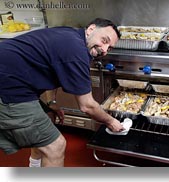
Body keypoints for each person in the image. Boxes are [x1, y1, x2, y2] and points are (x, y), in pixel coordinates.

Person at [0, 18, 124, 167]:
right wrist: (111, 121)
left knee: (48, 117)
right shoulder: (76, 49)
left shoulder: (70, 36)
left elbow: (55, 69)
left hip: (15, 81)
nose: (104, 50)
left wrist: (52, 103)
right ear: (91, 29)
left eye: (109, 48)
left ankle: (34, 167)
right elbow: (87, 106)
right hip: (8, 86)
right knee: (55, 146)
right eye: (104, 40)